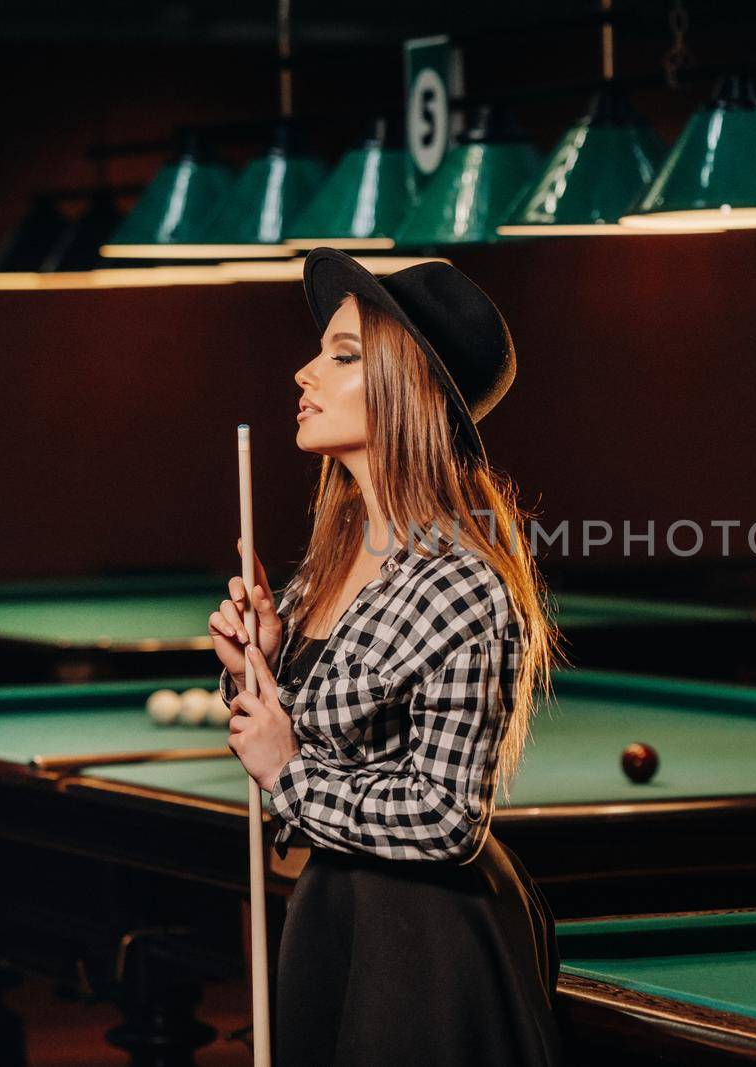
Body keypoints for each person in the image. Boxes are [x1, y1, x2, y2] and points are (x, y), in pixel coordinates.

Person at [206, 247, 562, 1066]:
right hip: (335, 910)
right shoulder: (333, 556)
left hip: (427, 945)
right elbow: (307, 738)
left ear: (409, 387)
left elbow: (447, 817)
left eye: (341, 355)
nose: (304, 372)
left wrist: (287, 770)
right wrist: (258, 662)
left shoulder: (462, 582)